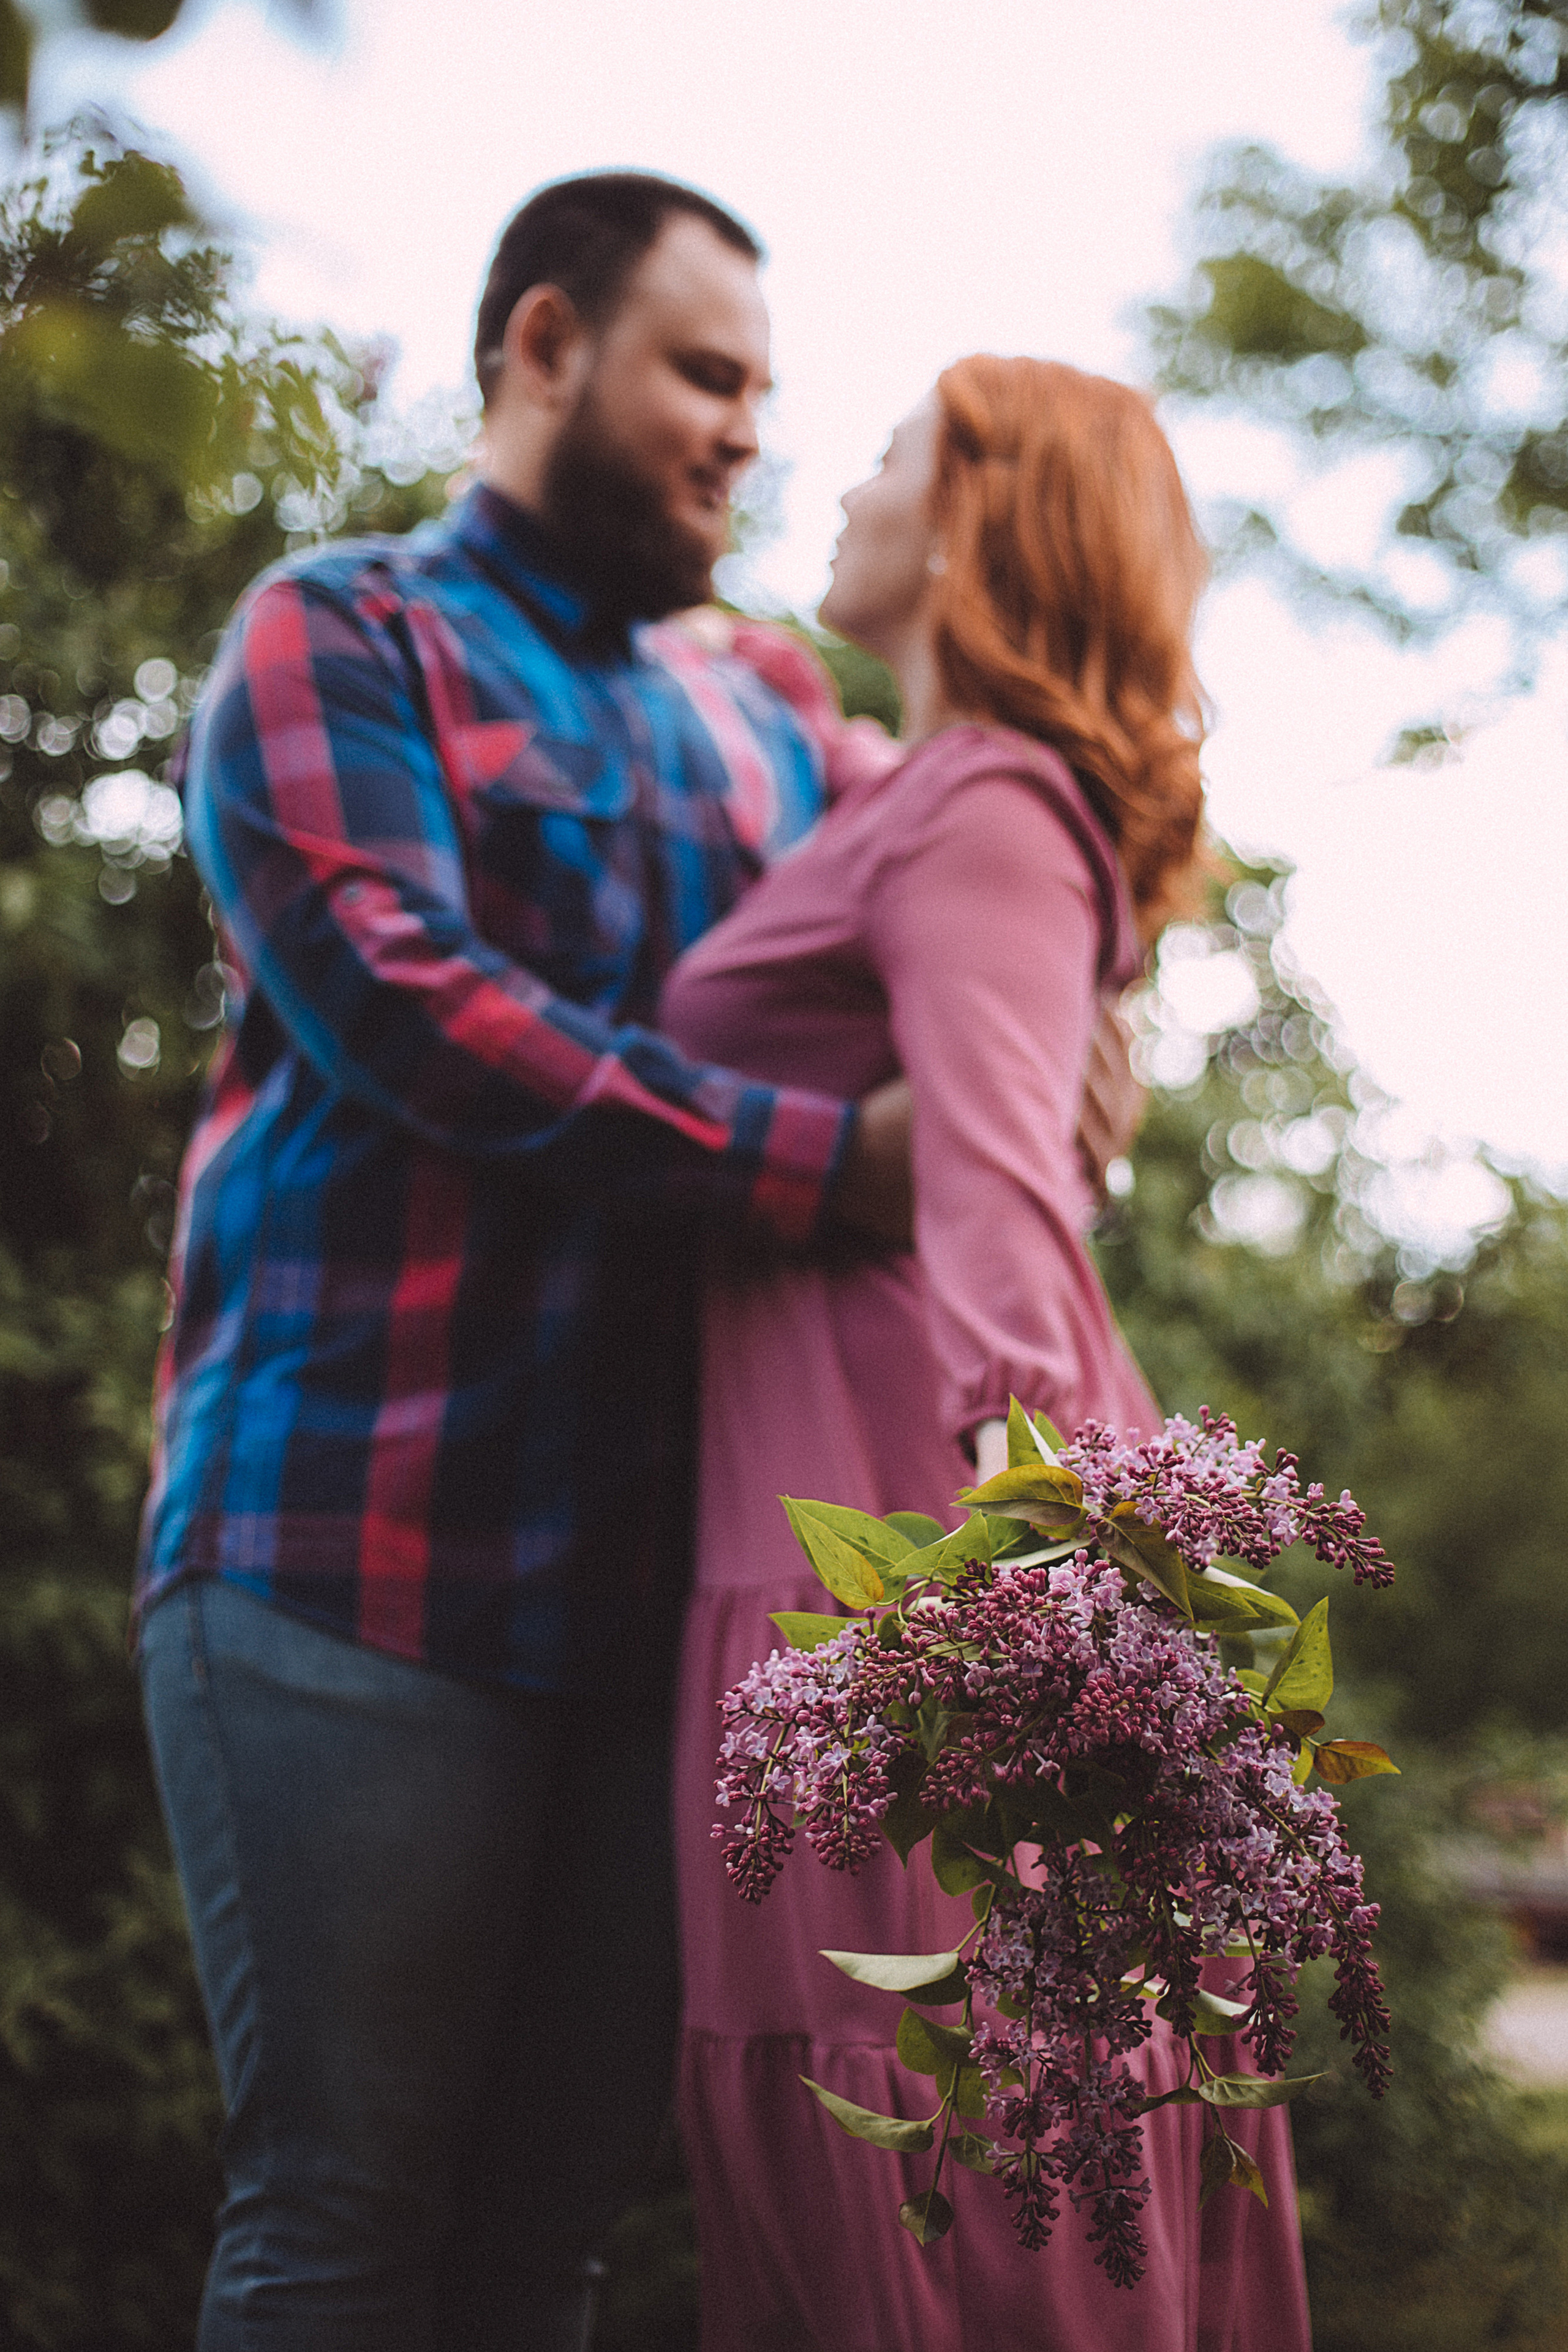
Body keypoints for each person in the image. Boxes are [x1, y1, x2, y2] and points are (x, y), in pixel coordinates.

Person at [134, 170, 925, 2352]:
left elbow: (973, 858)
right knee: (343, 2221)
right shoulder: (341, 632)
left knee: (548, 2254)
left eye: (769, 390)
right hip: (350, 1557)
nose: (749, 430)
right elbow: (415, 1010)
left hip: (674, 1604)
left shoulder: (774, 710)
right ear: (546, 346)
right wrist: (824, 1163)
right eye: (703, 371)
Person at [663, 358, 1314, 2351]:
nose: (838, 481)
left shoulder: (993, 805)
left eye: (886, 454)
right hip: (860, 1530)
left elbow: (1007, 1203)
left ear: (972, 527)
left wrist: (1042, 1591)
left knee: (968, 2181)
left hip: (915, 1555)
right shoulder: (931, 791)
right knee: (904, 2162)